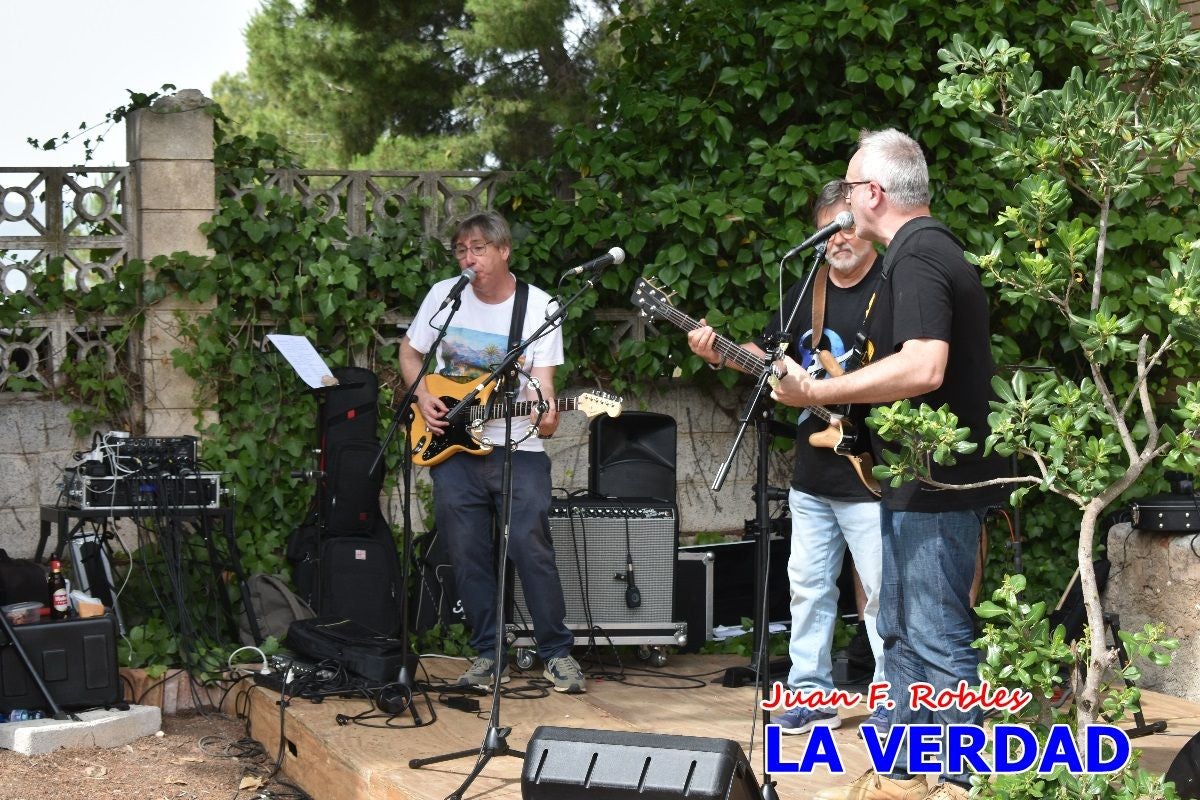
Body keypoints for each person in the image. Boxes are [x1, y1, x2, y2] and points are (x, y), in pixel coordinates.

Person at [771, 129, 1007, 800]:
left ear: (871, 194)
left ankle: (962, 783)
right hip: (912, 483)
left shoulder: (921, 253)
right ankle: (901, 777)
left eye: (847, 186)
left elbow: (924, 365)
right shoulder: (917, 250)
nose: (841, 199)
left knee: (936, 639)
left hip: (937, 488)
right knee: (900, 638)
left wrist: (817, 391)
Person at [687, 180, 888, 736]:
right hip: (813, 472)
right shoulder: (807, 290)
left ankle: (897, 697)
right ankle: (808, 694)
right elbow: (771, 355)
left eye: (845, 225)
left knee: (880, 592)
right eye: (826, 229)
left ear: (867, 225)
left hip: (872, 468)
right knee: (807, 587)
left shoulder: (891, 287)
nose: (837, 238)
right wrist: (721, 355)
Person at [399, 211, 585, 694]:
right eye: (461, 249)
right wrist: (422, 397)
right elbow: (410, 353)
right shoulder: (444, 296)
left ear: (504, 251)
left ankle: (557, 653)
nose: (468, 258)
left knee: (530, 543)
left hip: (518, 447)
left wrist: (548, 412)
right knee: (467, 552)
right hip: (452, 450)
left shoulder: (540, 307)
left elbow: (544, 388)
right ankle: (488, 654)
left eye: (478, 248)